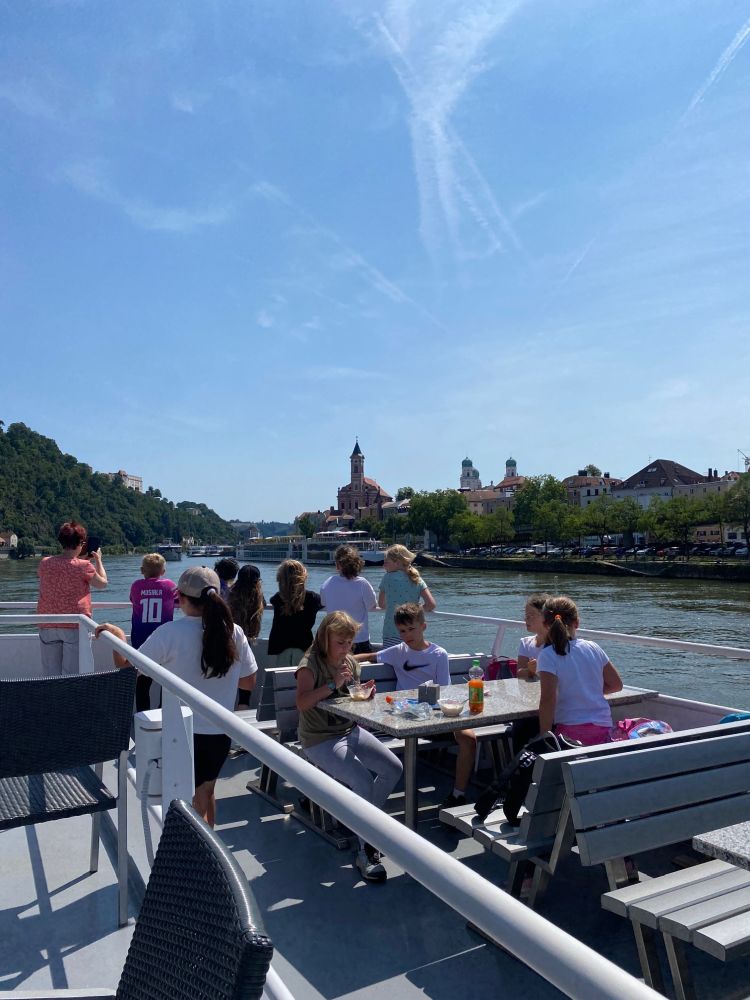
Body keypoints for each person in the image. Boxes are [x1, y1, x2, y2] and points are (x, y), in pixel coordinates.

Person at [96, 566, 257, 827]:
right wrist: (237, 700)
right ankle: (210, 845)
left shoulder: (169, 634)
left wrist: (117, 637)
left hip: (181, 732)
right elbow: (248, 679)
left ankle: (193, 848)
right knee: (206, 791)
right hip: (221, 730)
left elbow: (127, 668)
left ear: (180, 598)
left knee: (185, 798)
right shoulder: (234, 632)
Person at [296, 611, 402, 883]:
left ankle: (359, 820)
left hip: (349, 730)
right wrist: (333, 684)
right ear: (325, 639)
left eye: (349, 643)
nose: (346, 649)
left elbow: (351, 699)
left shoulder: (351, 663)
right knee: (363, 782)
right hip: (319, 738)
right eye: (340, 643)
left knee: (393, 768)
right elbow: (302, 703)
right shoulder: (310, 664)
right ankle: (366, 849)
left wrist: (365, 693)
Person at [356, 603, 476, 809]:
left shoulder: (439, 654)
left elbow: (444, 690)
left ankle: (458, 794)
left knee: (469, 738)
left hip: (436, 715)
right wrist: (341, 661)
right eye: (402, 631)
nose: (407, 635)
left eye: (411, 629)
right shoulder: (398, 652)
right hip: (406, 716)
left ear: (423, 627)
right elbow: (367, 656)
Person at [537, 595, 623, 746]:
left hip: (570, 734)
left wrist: (544, 737)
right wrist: (587, 691)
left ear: (545, 625)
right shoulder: (593, 647)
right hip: (603, 729)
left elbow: (548, 700)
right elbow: (616, 685)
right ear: (577, 622)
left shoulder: (548, 655)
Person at [36, 520, 108, 675]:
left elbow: (60, 573)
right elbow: (102, 583)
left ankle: (53, 692)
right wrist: (98, 561)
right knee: (73, 674)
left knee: (50, 674)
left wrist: (81, 561)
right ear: (81, 543)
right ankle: (70, 692)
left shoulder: (44, 563)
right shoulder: (84, 566)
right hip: (74, 625)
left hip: (47, 623)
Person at [129, 553, 179, 711]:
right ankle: (163, 712)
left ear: (142, 570)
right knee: (167, 682)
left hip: (141, 642)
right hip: (164, 641)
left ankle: (143, 715)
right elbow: (179, 601)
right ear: (163, 571)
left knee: (142, 684)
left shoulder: (136, 586)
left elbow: (132, 600)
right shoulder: (170, 586)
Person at [320, 545, 378, 654]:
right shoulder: (362, 583)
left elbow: (323, 603)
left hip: (335, 641)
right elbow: (372, 606)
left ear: (337, 565)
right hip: (359, 639)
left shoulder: (327, 583)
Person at [378, 544, 436, 648]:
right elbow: (431, 605)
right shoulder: (417, 579)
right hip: (413, 632)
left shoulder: (387, 578)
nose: (383, 566)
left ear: (397, 563)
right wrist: (413, 611)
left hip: (391, 631)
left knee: (392, 657)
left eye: (386, 562)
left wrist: (392, 606)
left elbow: (381, 604)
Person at [268, 559, 322, 666]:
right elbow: (322, 602)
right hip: (303, 645)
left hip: (281, 646)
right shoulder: (313, 598)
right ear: (303, 577)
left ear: (280, 578)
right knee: (302, 674)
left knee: (282, 675)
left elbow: (274, 599)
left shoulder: (277, 599)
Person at [229, 564, 265, 710]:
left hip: (227, 639)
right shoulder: (258, 598)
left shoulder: (230, 594)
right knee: (244, 691)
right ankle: (242, 716)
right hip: (246, 641)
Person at [516, 592, 552, 680]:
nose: (526, 619)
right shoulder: (525, 643)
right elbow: (519, 673)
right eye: (526, 615)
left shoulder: (558, 645)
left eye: (531, 615)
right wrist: (530, 671)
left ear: (545, 617)